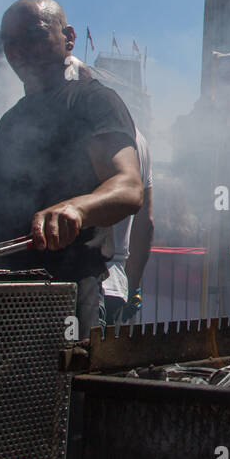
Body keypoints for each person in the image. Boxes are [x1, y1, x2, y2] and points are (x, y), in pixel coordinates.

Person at [0, 0, 143, 337]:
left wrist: (76, 208)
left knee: (62, 388)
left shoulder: (94, 101)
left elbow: (128, 186)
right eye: (10, 43)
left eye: (34, 36)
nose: (20, 50)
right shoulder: (10, 120)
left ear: (68, 38)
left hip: (63, 293)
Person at [101, 128, 153, 326]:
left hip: (76, 282)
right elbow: (145, 223)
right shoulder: (139, 138)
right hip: (115, 283)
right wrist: (133, 287)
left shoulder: (80, 122)